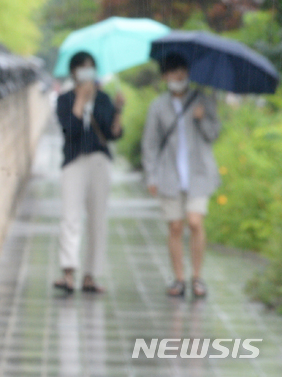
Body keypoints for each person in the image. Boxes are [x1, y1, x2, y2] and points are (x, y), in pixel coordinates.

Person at [141, 53, 221, 298]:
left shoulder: (202, 100)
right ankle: (179, 278)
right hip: (169, 174)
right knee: (175, 226)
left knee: (195, 222)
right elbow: (150, 143)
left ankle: (197, 277)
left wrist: (202, 118)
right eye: (173, 73)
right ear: (165, 76)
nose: (179, 77)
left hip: (198, 173)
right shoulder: (158, 106)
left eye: (182, 72)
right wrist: (150, 175)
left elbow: (214, 133)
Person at [54, 52, 124, 294]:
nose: (86, 72)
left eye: (91, 68)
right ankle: (68, 271)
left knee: (97, 218)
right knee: (70, 215)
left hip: (99, 161)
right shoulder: (64, 99)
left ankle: (91, 275)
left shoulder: (103, 99)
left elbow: (113, 134)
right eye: (82, 68)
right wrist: (80, 101)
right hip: (74, 161)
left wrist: (118, 111)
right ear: (73, 73)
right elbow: (68, 131)